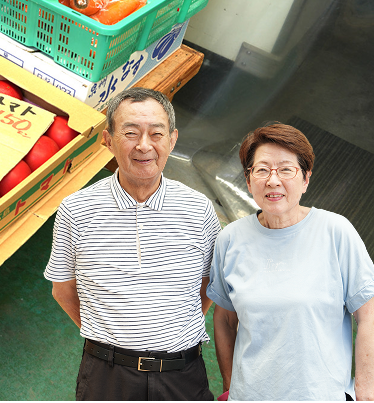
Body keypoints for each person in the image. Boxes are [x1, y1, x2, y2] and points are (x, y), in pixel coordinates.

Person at [45, 87, 221, 401]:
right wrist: (109, 339)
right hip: (107, 376)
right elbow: (63, 289)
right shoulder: (76, 210)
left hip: (183, 373)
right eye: (130, 133)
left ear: (172, 140)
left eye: (156, 133)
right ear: (108, 139)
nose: (144, 145)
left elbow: (207, 286)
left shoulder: (199, 210)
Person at [207, 123, 374, 400]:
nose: (273, 181)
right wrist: (230, 386)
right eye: (262, 170)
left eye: (286, 169)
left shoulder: (335, 232)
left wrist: (366, 393)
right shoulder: (231, 239)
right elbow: (224, 319)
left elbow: (368, 316)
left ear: (306, 179)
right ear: (249, 181)